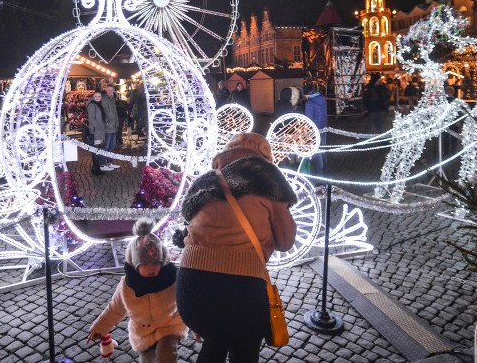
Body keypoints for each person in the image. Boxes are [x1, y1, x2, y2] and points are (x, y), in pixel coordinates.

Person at [176, 133, 297, 363]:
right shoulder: (268, 180)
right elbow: (285, 241)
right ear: (264, 156)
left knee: (216, 340)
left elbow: (188, 225)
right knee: (244, 350)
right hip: (242, 290)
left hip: (191, 289)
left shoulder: (204, 180)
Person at [88, 218, 187, 363]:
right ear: (135, 264)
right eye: (145, 263)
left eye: (155, 263)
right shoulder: (128, 286)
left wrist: (199, 325)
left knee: (166, 355)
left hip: (170, 325)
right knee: (147, 360)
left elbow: (188, 301)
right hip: (143, 333)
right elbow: (115, 309)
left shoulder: (173, 279)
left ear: (163, 260)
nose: (151, 268)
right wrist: (99, 328)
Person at [303, 84, 327, 173]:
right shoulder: (322, 98)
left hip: (315, 129)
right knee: (323, 149)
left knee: (317, 151)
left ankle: (320, 171)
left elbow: (308, 119)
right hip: (324, 127)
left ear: (307, 93)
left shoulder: (309, 103)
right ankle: (324, 169)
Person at [86, 90, 109, 173]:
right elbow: (91, 118)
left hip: (100, 130)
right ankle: (96, 169)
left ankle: (96, 168)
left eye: (99, 96)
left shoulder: (99, 105)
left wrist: (105, 122)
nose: (97, 97)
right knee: (95, 150)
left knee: (98, 149)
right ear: (93, 96)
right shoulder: (92, 105)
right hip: (96, 131)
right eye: (96, 96)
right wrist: (98, 126)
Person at [101, 85, 121, 169]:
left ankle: (109, 162)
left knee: (112, 145)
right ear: (106, 90)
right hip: (108, 126)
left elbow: (114, 112)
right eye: (108, 90)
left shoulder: (112, 99)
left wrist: (117, 122)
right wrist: (107, 122)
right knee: (106, 145)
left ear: (113, 91)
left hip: (113, 125)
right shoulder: (104, 99)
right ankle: (102, 164)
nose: (110, 91)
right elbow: (105, 112)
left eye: (111, 90)